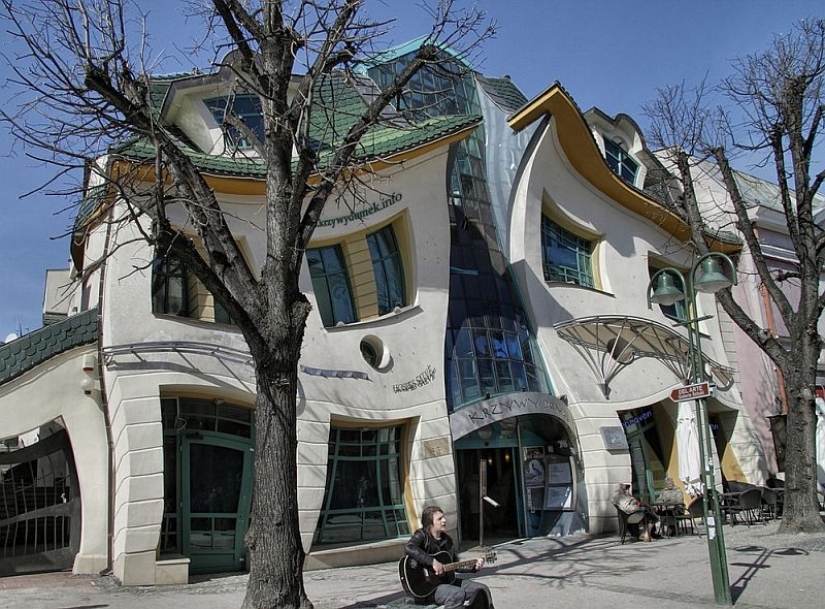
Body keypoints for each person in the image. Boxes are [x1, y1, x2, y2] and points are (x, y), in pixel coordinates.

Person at [404, 505, 494, 609]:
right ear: (430, 523)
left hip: (446, 581)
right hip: (427, 587)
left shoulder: (447, 540)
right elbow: (409, 547)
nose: (444, 520)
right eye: (439, 519)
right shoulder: (421, 535)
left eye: (444, 517)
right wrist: (432, 562)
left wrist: (474, 566)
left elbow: (455, 565)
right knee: (457, 594)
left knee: (482, 590)